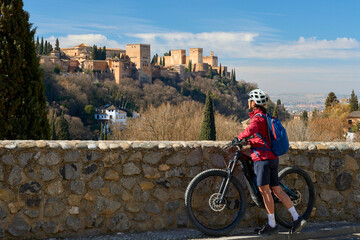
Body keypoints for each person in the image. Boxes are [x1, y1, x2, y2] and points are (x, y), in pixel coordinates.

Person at [237, 89, 307, 235]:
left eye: (250, 100)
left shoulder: (258, 117)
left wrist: (238, 138)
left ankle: (272, 224)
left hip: (263, 159)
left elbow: (251, 129)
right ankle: (297, 218)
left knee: (265, 191)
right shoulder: (266, 116)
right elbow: (260, 136)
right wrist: (250, 140)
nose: (248, 102)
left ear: (254, 102)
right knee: (277, 190)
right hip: (272, 158)